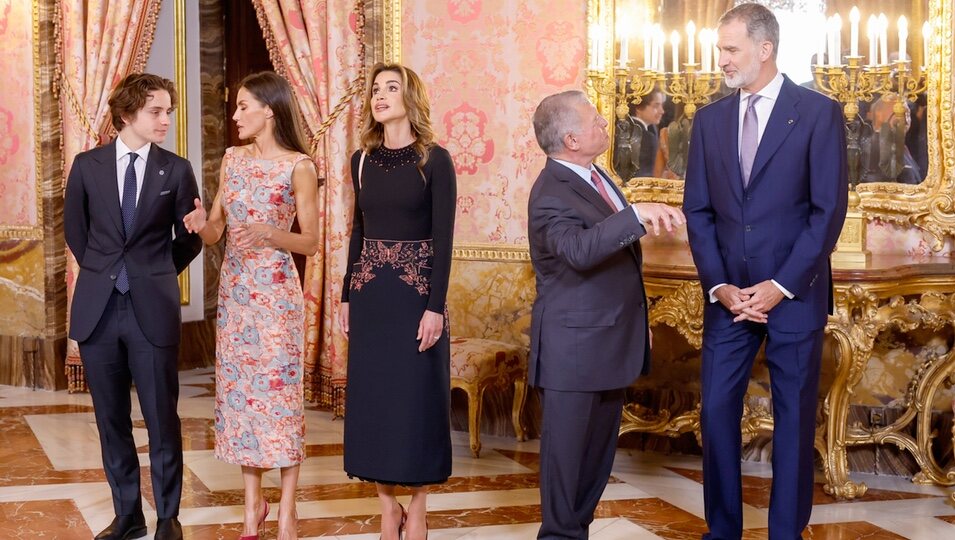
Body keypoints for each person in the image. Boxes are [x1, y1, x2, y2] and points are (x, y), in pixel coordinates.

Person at [682, 4, 848, 539]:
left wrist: (779, 287)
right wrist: (720, 285)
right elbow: (699, 211)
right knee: (716, 418)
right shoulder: (708, 120)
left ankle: (785, 534)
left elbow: (828, 212)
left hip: (793, 298)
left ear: (764, 48)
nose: (722, 59)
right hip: (729, 300)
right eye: (720, 48)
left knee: (795, 422)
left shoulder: (818, 113)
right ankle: (722, 531)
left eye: (730, 49)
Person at [527, 89, 685, 539]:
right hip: (572, 353)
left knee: (593, 467)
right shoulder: (551, 191)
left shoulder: (596, 176)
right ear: (571, 139)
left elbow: (616, 266)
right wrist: (635, 213)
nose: (604, 124)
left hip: (609, 345)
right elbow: (577, 251)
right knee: (565, 473)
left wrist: (639, 327)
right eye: (595, 119)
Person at [64, 73, 202, 540]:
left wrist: (154, 271)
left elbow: (189, 240)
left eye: (168, 111)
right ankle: (128, 515)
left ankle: (168, 518)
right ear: (127, 115)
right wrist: (107, 274)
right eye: (155, 112)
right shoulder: (87, 165)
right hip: (99, 309)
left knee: (163, 418)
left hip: (152, 309)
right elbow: (76, 234)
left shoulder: (177, 170)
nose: (165, 120)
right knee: (111, 421)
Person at [183, 71, 320, 540]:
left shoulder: (299, 166)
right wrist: (201, 223)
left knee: (279, 401)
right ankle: (250, 511)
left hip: (278, 297)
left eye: (244, 106)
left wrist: (269, 233)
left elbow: (311, 242)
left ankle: (286, 511)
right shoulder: (232, 161)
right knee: (242, 401)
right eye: (236, 106)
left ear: (270, 111)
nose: (236, 115)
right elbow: (218, 230)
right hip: (237, 296)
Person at [338, 63, 457, 540]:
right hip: (370, 297)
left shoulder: (435, 159)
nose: (380, 96)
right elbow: (358, 231)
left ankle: (419, 505)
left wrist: (435, 307)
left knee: (417, 402)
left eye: (391, 88)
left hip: (415, 298)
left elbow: (443, 239)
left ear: (411, 97)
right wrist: (347, 293)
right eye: (375, 90)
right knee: (376, 402)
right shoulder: (360, 161)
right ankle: (387, 507)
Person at [629, 89, 665, 177]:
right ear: (639, 108)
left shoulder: (625, 128)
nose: (662, 111)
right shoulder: (646, 139)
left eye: (661, 105)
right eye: (656, 106)